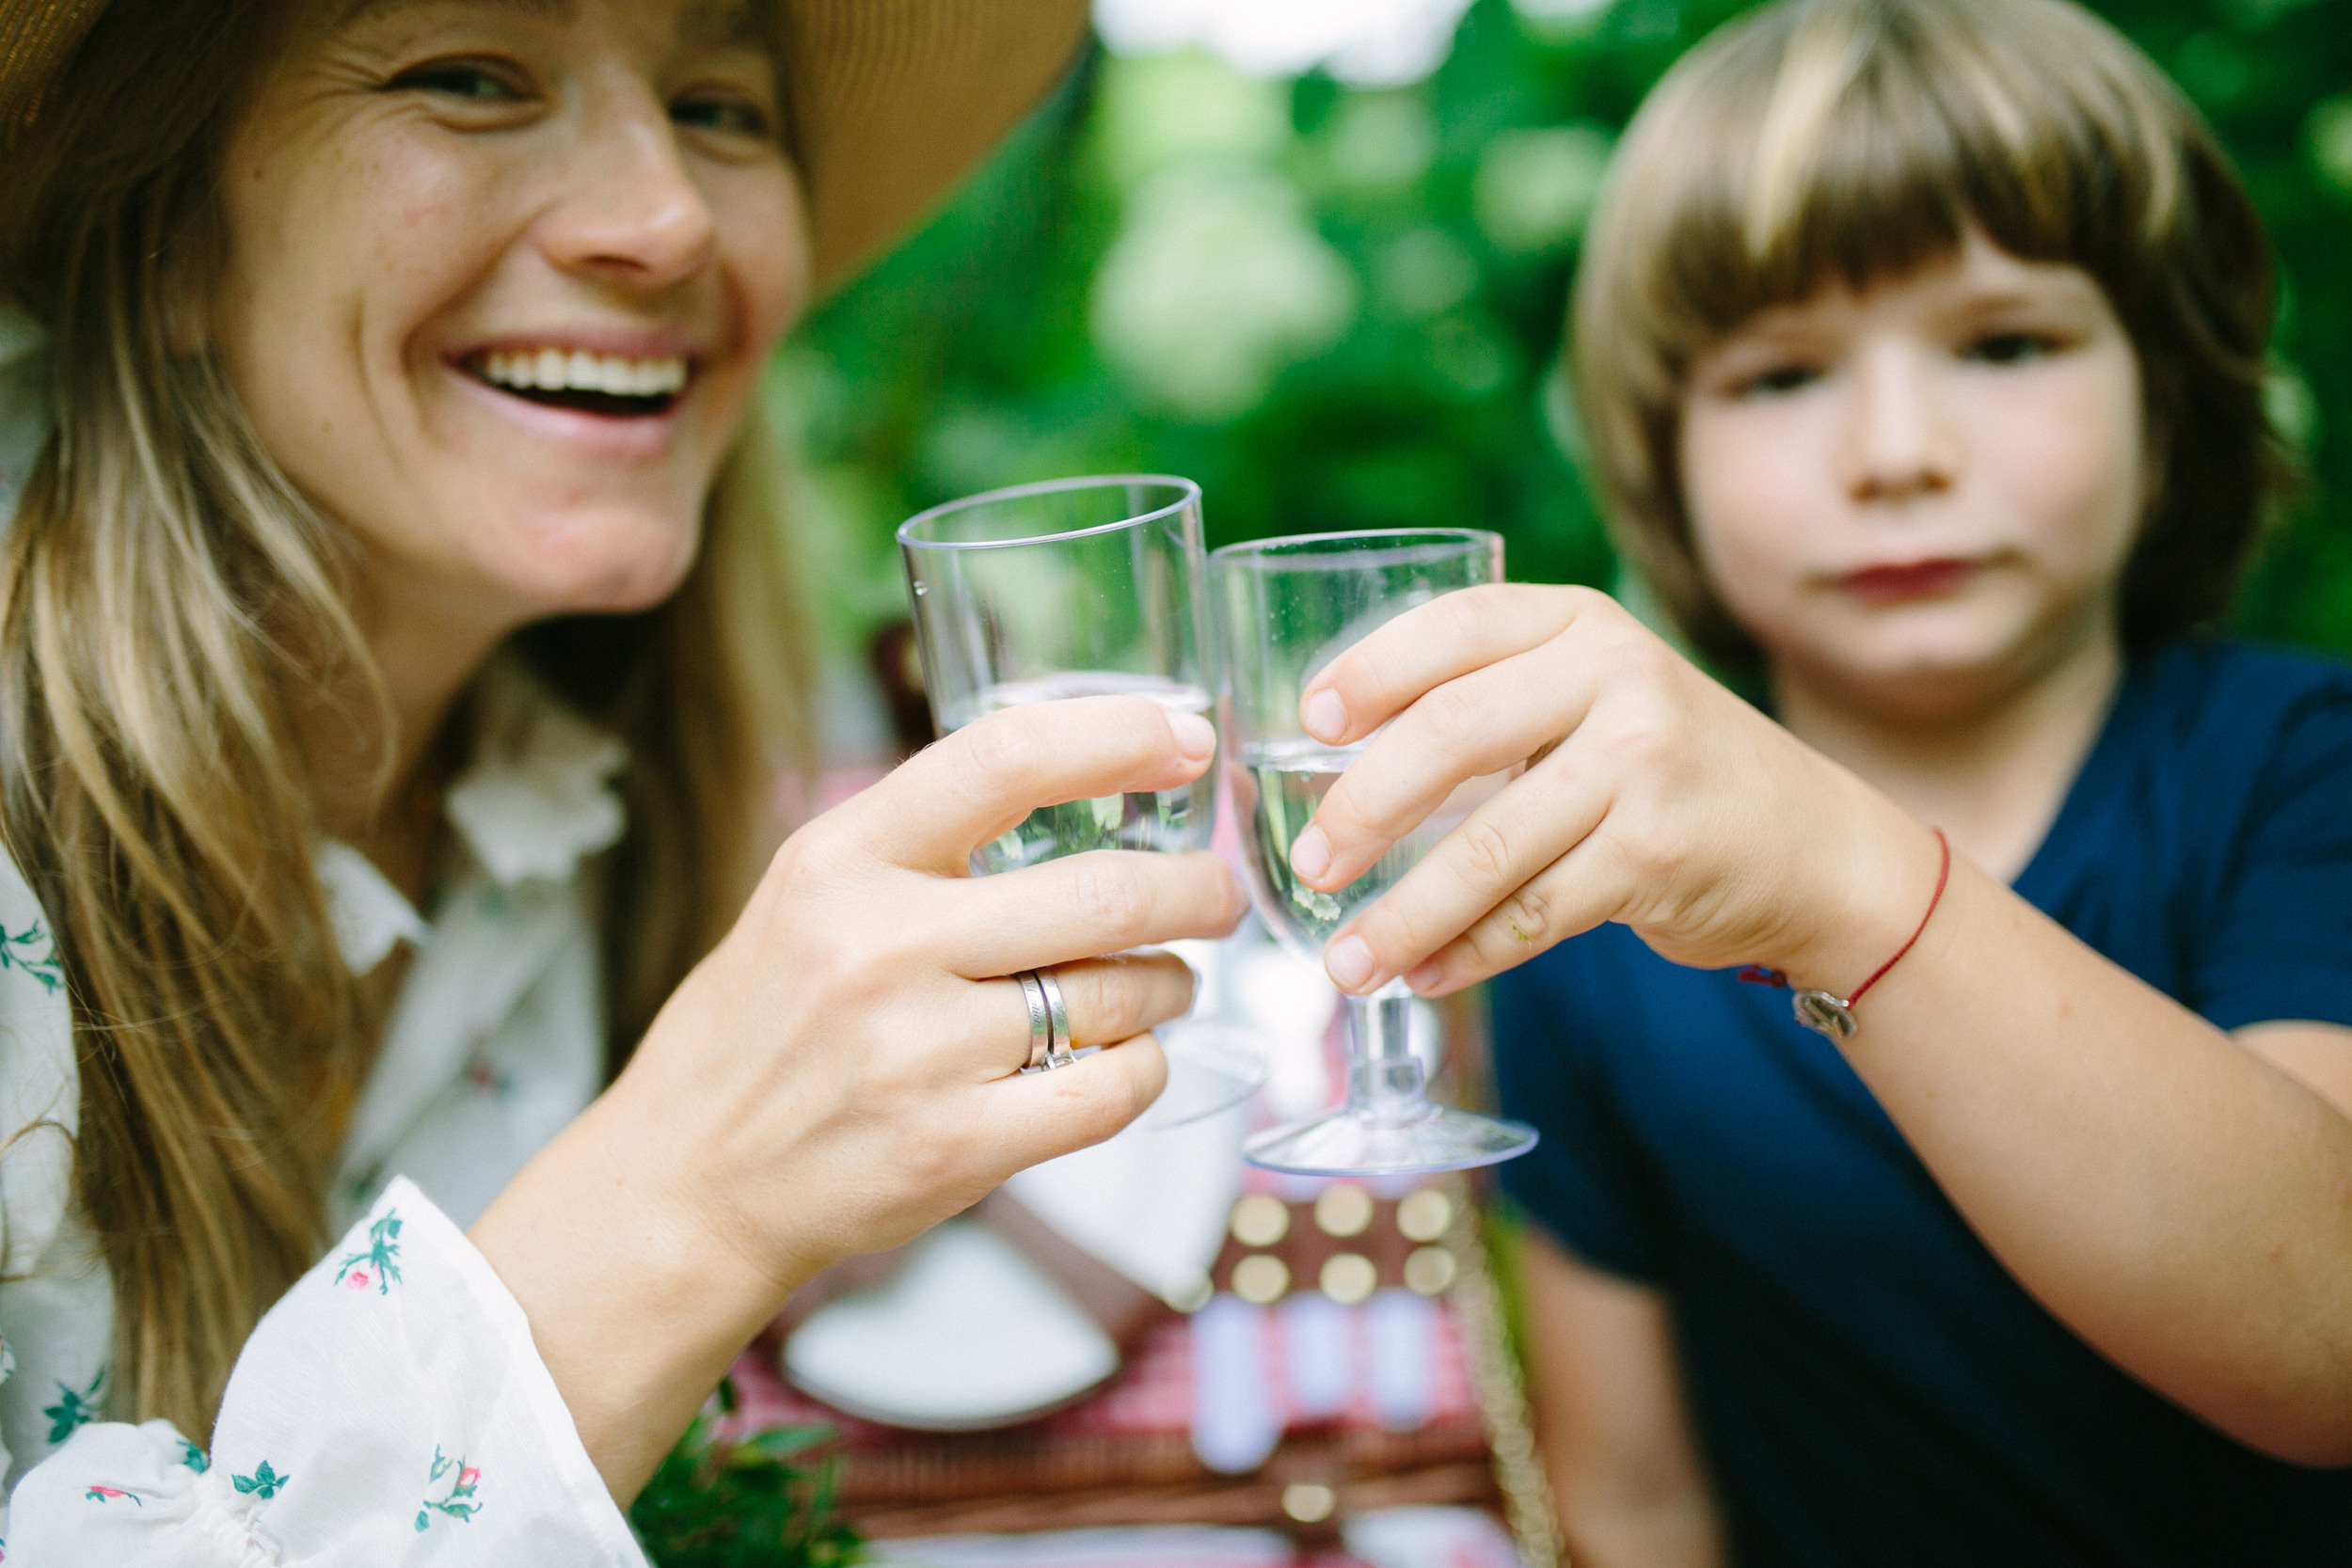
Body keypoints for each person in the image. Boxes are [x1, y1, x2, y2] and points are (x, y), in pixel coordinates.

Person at [0, 0, 1245, 1558]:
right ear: (163, 230)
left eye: (724, 110)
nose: (665, 223)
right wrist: (683, 1207)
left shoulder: (572, 799)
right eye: (466, 78)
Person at [1275, 0, 2352, 1561]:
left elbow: (2324, 1340)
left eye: (2005, 343)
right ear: (1661, 453)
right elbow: (1631, 1494)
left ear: (2170, 388)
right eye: (1783, 378)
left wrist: (1838, 876)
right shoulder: (1583, 897)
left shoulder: (2302, 768)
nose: (1896, 451)